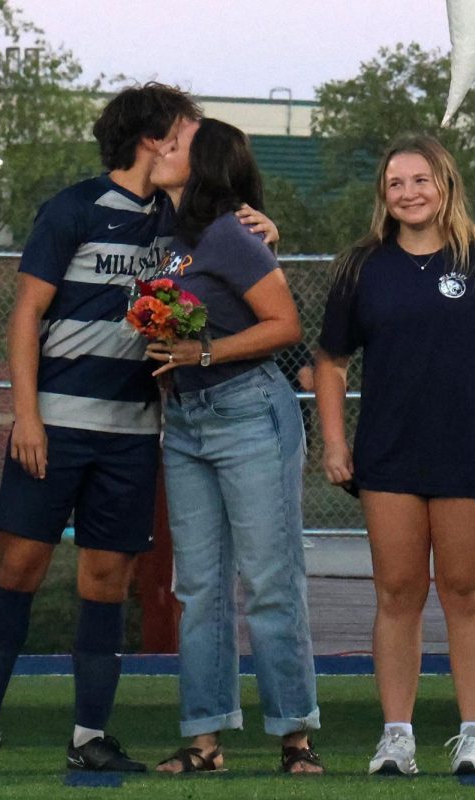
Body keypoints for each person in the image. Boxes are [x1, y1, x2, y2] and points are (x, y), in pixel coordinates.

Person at [0, 85, 278, 775]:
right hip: (54, 425)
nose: (194, 139)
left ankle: (89, 736)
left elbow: (234, 262)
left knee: (106, 580)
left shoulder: (184, 219)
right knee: (18, 569)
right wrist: (25, 415)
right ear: (154, 137)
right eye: (185, 128)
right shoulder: (73, 208)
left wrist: (266, 231)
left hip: (134, 434)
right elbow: (26, 314)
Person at [312, 133, 475, 777]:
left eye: (421, 180)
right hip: (387, 453)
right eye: (395, 183)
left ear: (445, 185)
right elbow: (330, 362)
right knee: (396, 592)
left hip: (467, 450)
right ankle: (397, 737)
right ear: (383, 197)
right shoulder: (363, 266)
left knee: (466, 590)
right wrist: (335, 443)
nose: (408, 193)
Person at [143, 118, 322, 775]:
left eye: (175, 143)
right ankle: (204, 742)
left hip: (249, 414)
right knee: (198, 588)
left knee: (271, 582)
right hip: (186, 422)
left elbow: (286, 324)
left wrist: (205, 348)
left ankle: (296, 738)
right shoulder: (169, 237)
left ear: (208, 161)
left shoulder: (228, 233)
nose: (161, 149)